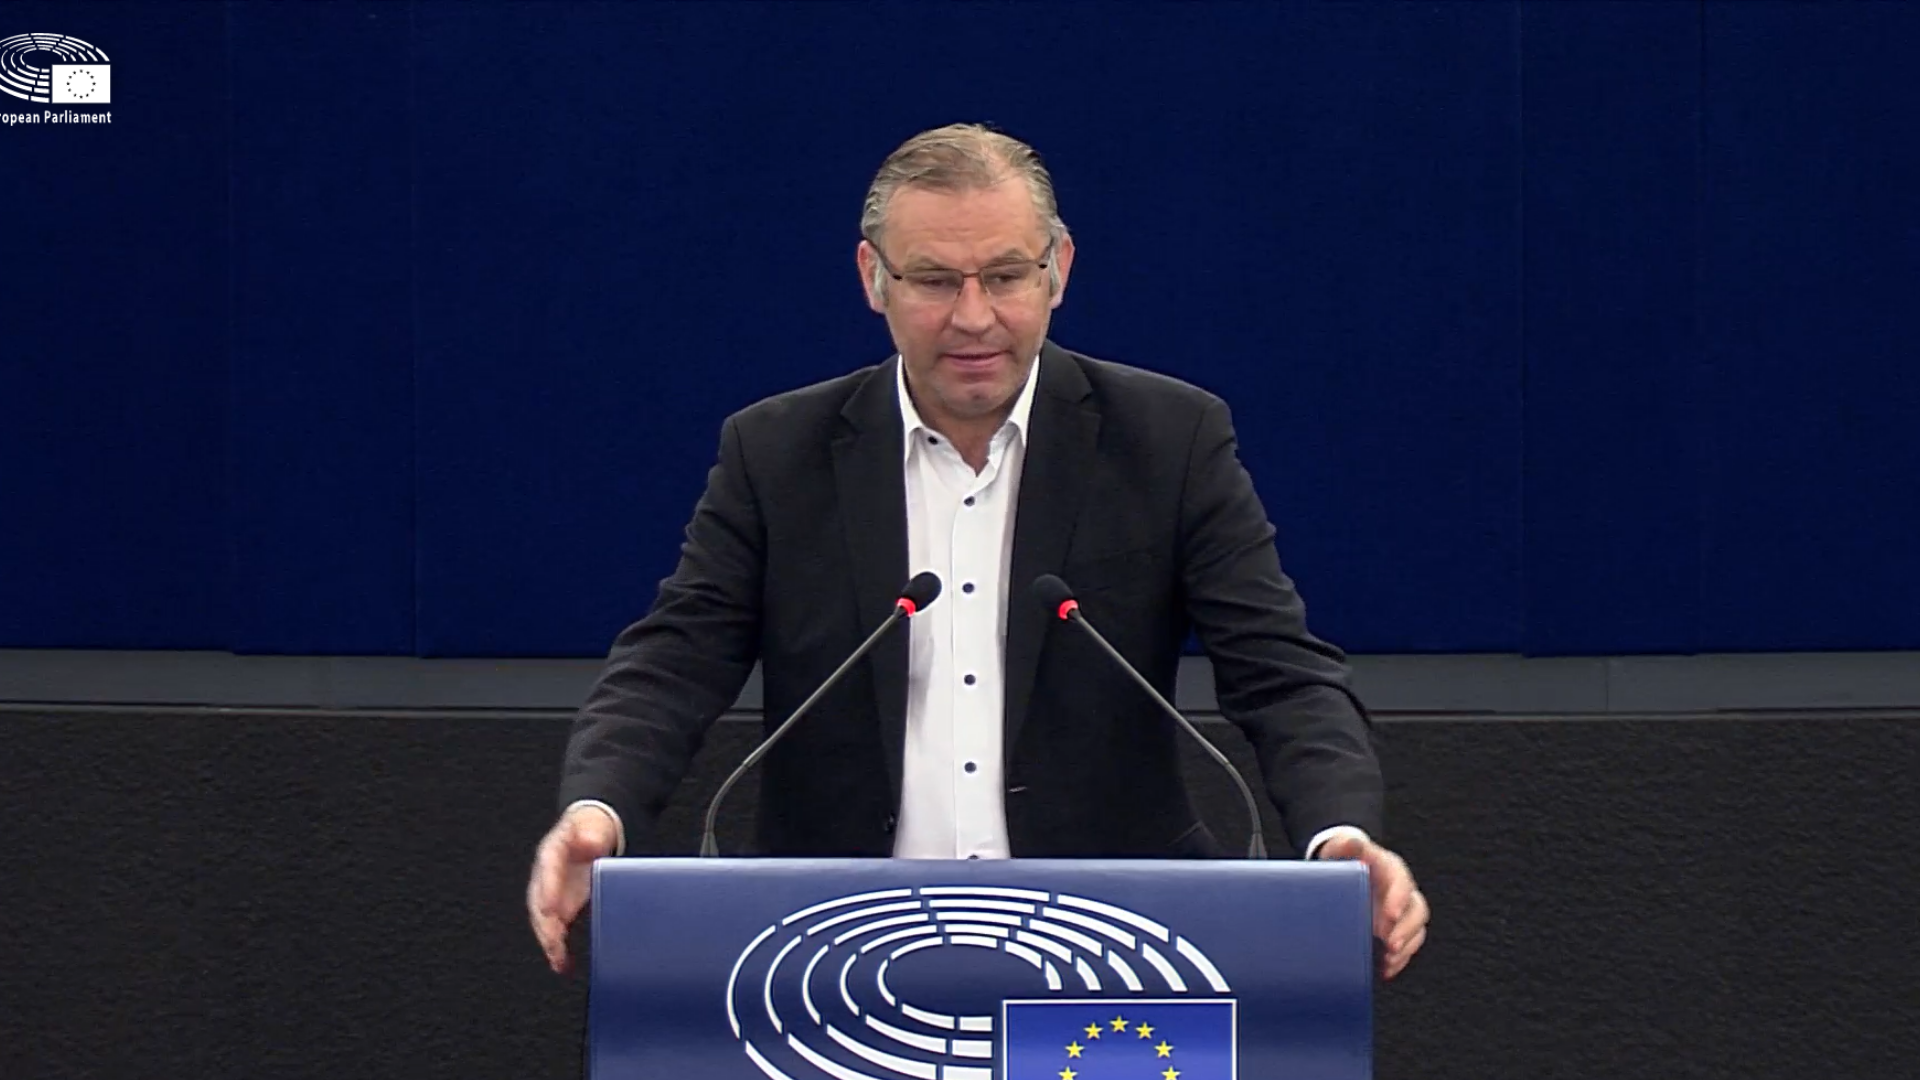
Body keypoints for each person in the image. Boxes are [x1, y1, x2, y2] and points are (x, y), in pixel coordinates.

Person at [526, 122, 1428, 980]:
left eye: (1005, 275)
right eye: (933, 280)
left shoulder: (1170, 439)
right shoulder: (777, 451)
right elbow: (674, 662)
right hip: (832, 944)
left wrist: (1338, 836)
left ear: (1059, 270)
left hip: (1110, 944)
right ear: (872, 277)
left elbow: (1281, 674)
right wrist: (597, 808)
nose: (973, 317)